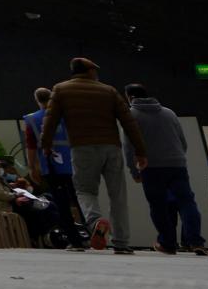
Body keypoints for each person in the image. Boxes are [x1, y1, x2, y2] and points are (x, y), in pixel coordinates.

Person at [43, 56, 147, 253]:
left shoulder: (60, 89)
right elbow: (129, 124)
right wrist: (140, 151)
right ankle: (121, 243)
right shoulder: (108, 90)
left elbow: (50, 120)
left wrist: (46, 145)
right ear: (89, 71)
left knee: (84, 191)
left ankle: (96, 222)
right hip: (111, 148)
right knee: (118, 195)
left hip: (82, 148)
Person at [127, 84, 208, 255]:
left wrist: (134, 171)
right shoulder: (169, 112)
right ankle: (196, 241)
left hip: (151, 166)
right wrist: (176, 157)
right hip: (177, 165)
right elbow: (182, 141)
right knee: (187, 202)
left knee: (158, 206)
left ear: (129, 97)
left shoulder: (132, 114)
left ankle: (168, 243)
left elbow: (128, 146)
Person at [21, 84, 87, 247]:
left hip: (51, 167)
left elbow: (31, 146)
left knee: (62, 204)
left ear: (37, 100)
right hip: (73, 164)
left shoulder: (32, 120)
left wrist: (32, 168)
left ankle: (75, 241)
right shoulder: (66, 116)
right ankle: (93, 234)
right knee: (81, 201)